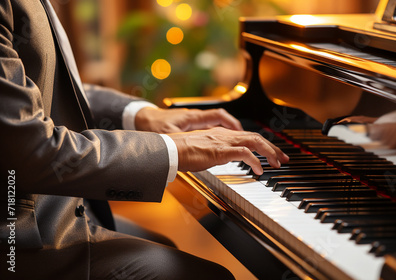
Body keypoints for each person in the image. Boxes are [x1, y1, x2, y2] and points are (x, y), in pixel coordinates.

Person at [0, 1, 288, 279]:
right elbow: (34, 151)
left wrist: (141, 115)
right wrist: (175, 148)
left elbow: (46, 85)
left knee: (166, 248)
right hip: (18, 235)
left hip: (51, 208)